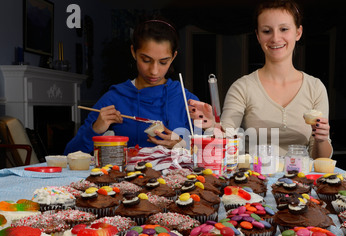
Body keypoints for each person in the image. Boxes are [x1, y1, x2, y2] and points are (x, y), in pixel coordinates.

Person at [188, 0, 332, 159]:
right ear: (258, 35)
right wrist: (212, 125)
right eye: (267, 31)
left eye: (284, 29)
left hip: (301, 178)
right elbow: (227, 136)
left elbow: (321, 160)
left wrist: (321, 139)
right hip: (255, 179)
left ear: (298, 33)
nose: (275, 38)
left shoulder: (315, 87)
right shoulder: (242, 87)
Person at [64, 18, 198, 155]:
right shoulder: (114, 98)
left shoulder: (188, 101)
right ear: (134, 52)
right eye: (146, 60)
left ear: (173, 56)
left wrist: (182, 145)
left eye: (163, 62)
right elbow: (69, 155)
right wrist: (95, 129)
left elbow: (212, 157)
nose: (154, 71)